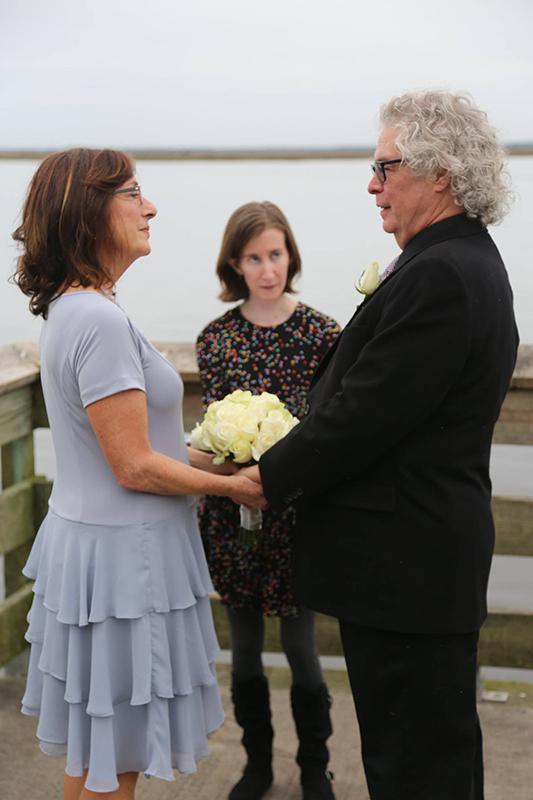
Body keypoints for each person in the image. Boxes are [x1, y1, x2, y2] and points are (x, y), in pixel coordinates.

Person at [244, 91, 519, 800]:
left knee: (415, 772)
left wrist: (264, 478)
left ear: (440, 173)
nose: (372, 185)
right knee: (427, 764)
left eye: (384, 167)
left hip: (409, 575)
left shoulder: (443, 273)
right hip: (417, 571)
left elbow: (362, 415)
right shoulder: (458, 260)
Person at [13, 148, 265, 800]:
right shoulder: (96, 319)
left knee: (97, 755)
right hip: (125, 568)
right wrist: (232, 487)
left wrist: (219, 458)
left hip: (96, 551)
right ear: (88, 212)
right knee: (118, 760)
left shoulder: (75, 308)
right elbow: (132, 466)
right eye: (132, 194)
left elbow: (141, 447)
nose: (150, 206)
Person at [195, 201, 341, 800]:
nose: (267, 269)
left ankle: (314, 769)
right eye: (253, 258)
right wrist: (237, 469)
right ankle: (256, 766)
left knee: (303, 648)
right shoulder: (216, 339)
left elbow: (332, 426)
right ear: (235, 263)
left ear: (290, 256)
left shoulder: (322, 334)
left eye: (275, 255)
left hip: (298, 517)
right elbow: (209, 436)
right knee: (246, 649)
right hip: (232, 515)